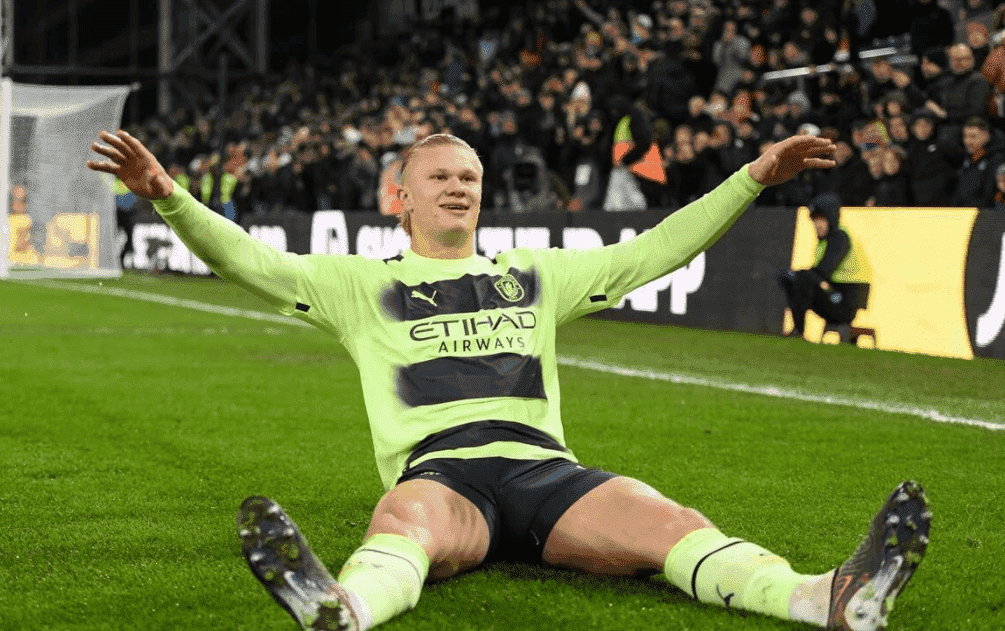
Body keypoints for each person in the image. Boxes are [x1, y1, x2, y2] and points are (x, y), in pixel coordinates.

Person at [87, 129, 930, 631]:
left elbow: (654, 251)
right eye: (439, 177)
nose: (457, 187)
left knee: (669, 520)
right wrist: (168, 197)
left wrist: (751, 178)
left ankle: (826, 596)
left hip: (544, 472)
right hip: (444, 473)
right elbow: (252, 261)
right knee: (404, 518)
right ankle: (343, 608)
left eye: (468, 178)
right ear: (400, 198)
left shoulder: (532, 274)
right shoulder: (358, 284)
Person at [774, 193, 872, 342]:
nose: (817, 225)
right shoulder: (825, 241)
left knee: (801, 280)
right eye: (814, 220)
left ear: (831, 218)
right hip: (834, 294)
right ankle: (797, 331)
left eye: (821, 219)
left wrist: (796, 275)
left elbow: (822, 272)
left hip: (843, 300)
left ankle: (799, 332)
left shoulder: (839, 238)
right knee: (792, 280)